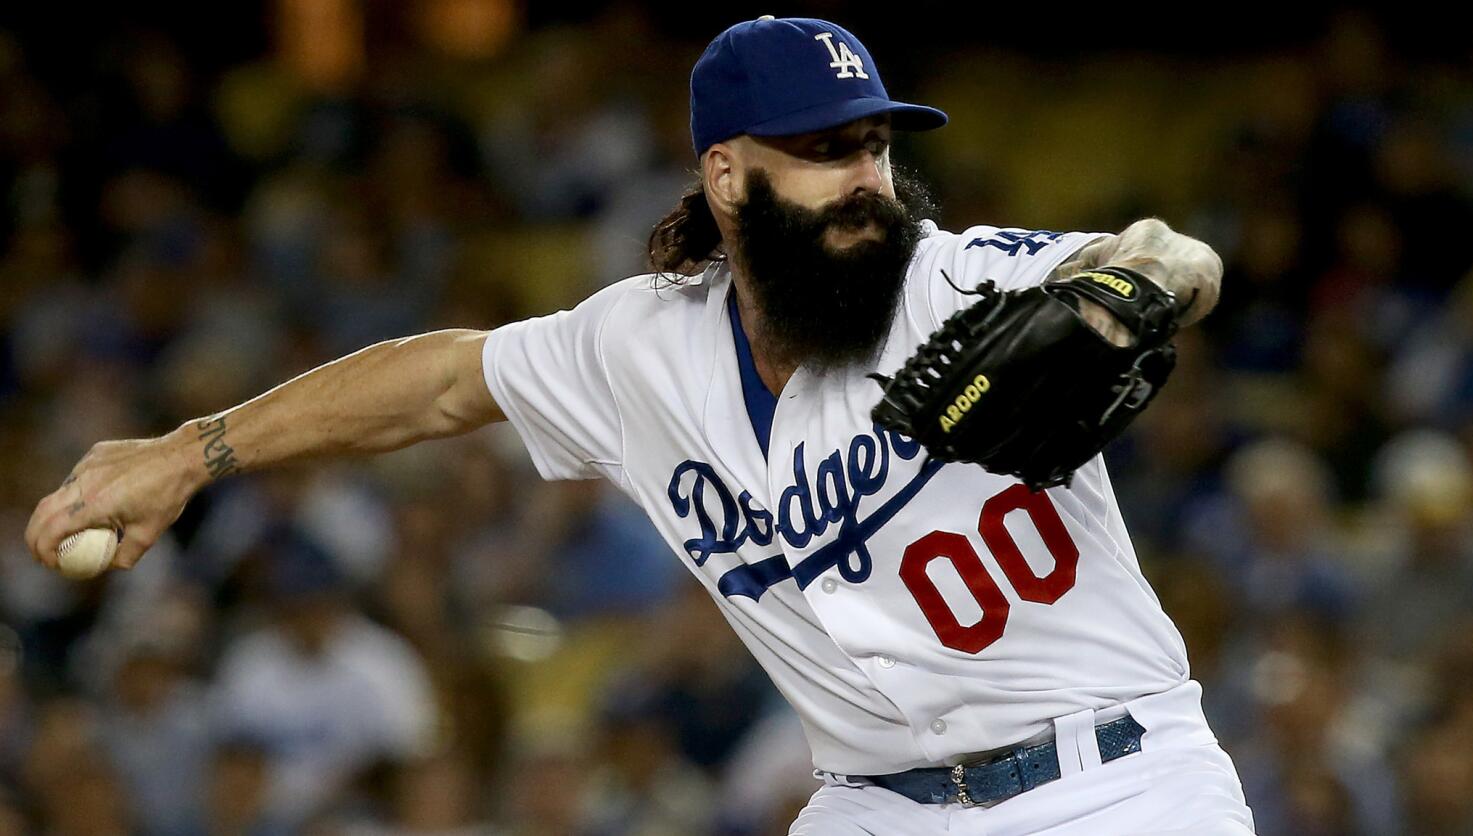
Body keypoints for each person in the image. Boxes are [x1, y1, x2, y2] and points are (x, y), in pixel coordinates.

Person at [26, 16, 1250, 835]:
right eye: (824, 151)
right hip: (875, 804)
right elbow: (444, 378)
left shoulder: (949, 279)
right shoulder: (641, 345)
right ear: (727, 176)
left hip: (1116, 780)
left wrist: (1128, 291)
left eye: (876, 144)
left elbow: (1163, 257)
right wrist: (191, 451)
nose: (868, 178)